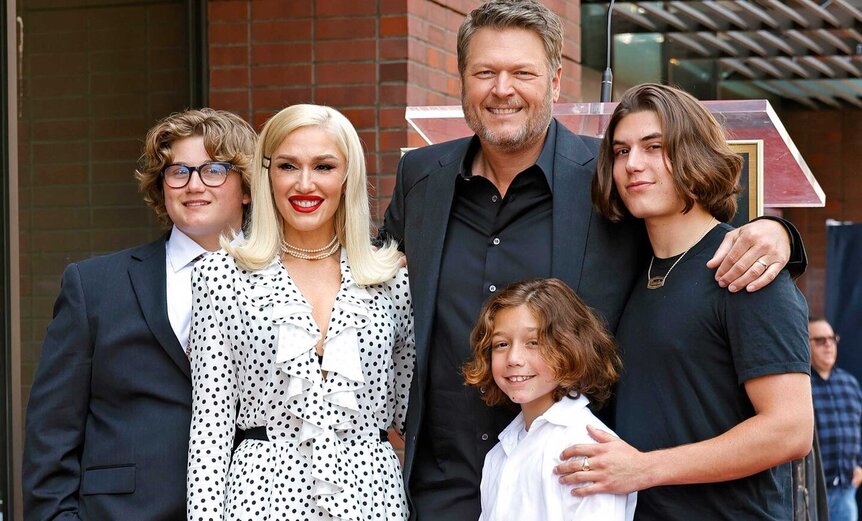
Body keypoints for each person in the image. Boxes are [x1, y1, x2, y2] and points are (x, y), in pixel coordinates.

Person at [379, 1, 806, 518]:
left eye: (522, 73)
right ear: (463, 79)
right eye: (485, 72)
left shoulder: (607, 181)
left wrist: (778, 233)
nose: (502, 89)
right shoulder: (421, 178)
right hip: (442, 488)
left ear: (556, 81)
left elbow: (696, 221)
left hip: (574, 490)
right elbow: (372, 278)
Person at [562, 83, 813, 519]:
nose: (632, 164)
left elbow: (790, 429)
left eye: (654, 147)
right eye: (621, 151)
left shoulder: (744, 268)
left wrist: (644, 469)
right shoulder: (629, 270)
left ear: (694, 154)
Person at [23, 108, 255, 520]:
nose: (193, 184)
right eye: (178, 171)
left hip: (249, 505)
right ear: (162, 186)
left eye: (214, 170)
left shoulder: (288, 284)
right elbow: (51, 432)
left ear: (247, 188)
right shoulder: (94, 286)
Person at [185, 104, 414, 521]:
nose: (304, 183)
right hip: (260, 500)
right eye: (288, 166)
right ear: (266, 174)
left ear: (348, 176)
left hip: (371, 499)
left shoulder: (391, 280)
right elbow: (210, 428)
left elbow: (413, 412)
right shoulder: (220, 276)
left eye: (324, 166)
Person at [463, 278, 636, 521]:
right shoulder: (500, 452)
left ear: (569, 347)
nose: (513, 358)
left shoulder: (588, 447)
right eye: (501, 344)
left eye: (533, 342)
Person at [809, 316, 862, 521]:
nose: (828, 345)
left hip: (845, 491)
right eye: (820, 340)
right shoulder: (801, 387)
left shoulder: (849, 383)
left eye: (832, 339)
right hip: (810, 492)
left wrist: (860, 466)